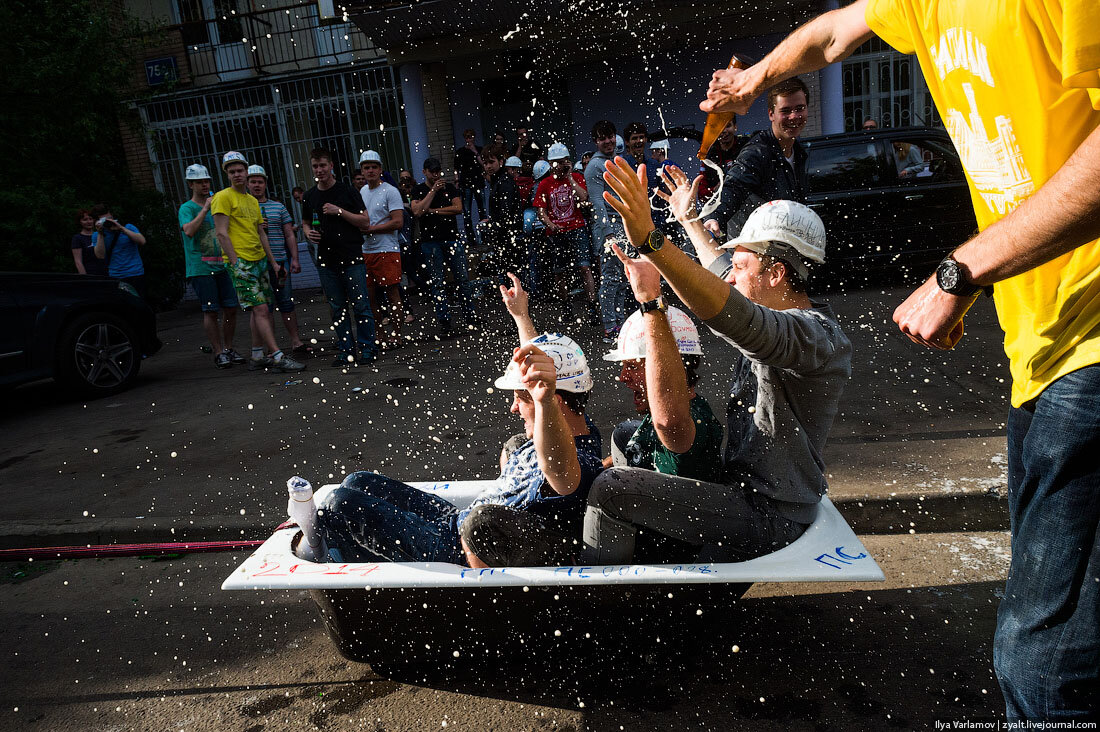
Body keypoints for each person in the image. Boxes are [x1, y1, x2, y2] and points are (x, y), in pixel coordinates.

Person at [697, 0, 1100, 720]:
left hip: (1091, 348)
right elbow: (833, 33)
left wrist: (963, 270)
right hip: (1038, 347)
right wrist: (755, 77)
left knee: (1045, 667)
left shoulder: (811, 334)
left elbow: (730, 314)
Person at [599, 157, 851, 568]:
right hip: (741, 492)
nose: (729, 278)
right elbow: (720, 276)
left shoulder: (814, 337)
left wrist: (651, 241)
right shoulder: (771, 301)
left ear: (777, 274)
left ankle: (603, 602)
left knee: (611, 489)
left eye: (740, 266)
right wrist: (689, 219)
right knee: (630, 433)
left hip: (769, 513)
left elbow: (730, 311)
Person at [316, 330, 602, 568]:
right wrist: (520, 316)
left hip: (458, 551)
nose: (513, 407)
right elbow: (549, 369)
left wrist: (543, 401)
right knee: (358, 481)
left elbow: (560, 472)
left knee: (338, 506)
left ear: (554, 401)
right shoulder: (580, 426)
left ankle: (364, 592)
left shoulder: (570, 463)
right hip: (454, 521)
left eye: (520, 398)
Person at [587, 258, 725, 562]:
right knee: (626, 434)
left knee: (606, 487)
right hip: (669, 515)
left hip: (673, 554)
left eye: (632, 367)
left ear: (662, 368)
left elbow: (666, 421)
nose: (623, 377)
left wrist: (650, 300)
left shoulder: (680, 423)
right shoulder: (682, 409)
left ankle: (601, 584)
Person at [211, 151, 306, 373]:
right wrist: (235, 263)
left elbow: (261, 234)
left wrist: (273, 263)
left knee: (259, 310)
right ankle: (277, 356)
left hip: (260, 261)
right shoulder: (223, 197)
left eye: (240, 170)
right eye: (232, 171)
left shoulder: (252, 201)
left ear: (246, 171)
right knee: (262, 309)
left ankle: (256, 355)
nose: (237, 174)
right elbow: (221, 234)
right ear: (227, 174)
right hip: (241, 262)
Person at [703, 77, 810, 239]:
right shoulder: (758, 151)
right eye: (785, 111)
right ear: (771, 114)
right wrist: (715, 217)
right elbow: (734, 185)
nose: (794, 116)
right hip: (749, 247)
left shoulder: (800, 152)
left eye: (800, 108)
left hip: (781, 240)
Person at [301, 148, 378, 368]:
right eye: (315, 166)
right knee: (337, 308)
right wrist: (308, 233)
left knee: (361, 306)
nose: (319, 170)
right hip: (326, 261)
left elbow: (365, 222)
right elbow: (306, 222)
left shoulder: (348, 191)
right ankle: (346, 352)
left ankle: (368, 349)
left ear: (331, 166)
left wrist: (340, 212)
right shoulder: (309, 196)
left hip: (352, 258)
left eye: (323, 165)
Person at [179, 163, 243, 369]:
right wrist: (205, 208)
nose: (204, 185)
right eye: (199, 182)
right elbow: (189, 231)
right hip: (201, 268)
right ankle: (218, 352)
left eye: (206, 181)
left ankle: (230, 348)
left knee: (231, 308)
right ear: (191, 184)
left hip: (223, 264)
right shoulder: (187, 208)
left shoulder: (218, 203)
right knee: (211, 311)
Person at [247, 165, 311, 358]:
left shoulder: (278, 206)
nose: (257, 185)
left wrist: (295, 259)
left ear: (265, 183)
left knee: (286, 303)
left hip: (280, 263)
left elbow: (290, 235)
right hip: (256, 264)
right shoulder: (244, 207)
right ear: (248, 184)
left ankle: (296, 342)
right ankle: (270, 348)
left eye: (260, 181)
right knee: (263, 308)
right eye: (253, 182)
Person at [410, 157, 475, 338]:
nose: (436, 174)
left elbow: (458, 208)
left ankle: (470, 316)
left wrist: (432, 211)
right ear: (424, 172)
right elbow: (417, 211)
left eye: (438, 170)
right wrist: (432, 192)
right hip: (430, 242)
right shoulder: (419, 190)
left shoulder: (450, 187)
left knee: (462, 279)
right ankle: (444, 321)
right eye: (432, 171)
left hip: (451, 239)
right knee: (438, 283)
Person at [534, 143, 597, 321]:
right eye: (555, 163)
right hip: (556, 233)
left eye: (562, 162)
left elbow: (584, 197)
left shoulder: (576, 177)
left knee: (585, 267)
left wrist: (569, 177)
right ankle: (566, 306)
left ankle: (592, 306)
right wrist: (551, 225)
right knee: (559, 271)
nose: (559, 167)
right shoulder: (545, 184)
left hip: (577, 228)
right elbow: (541, 211)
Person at [585, 120, 633, 342]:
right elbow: (597, 203)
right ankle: (610, 327)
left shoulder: (615, 160)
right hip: (609, 229)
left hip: (622, 226)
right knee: (611, 279)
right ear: (596, 141)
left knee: (623, 279)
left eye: (610, 136)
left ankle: (621, 323)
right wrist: (608, 233)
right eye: (602, 138)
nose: (608, 141)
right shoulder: (595, 166)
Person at [358, 149, 405, 349]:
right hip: (366, 250)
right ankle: (380, 334)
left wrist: (371, 229)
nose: (370, 171)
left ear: (380, 169)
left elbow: (398, 222)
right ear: (362, 170)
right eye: (366, 167)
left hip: (387, 249)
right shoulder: (362, 192)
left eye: (373, 167)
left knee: (392, 293)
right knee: (370, 297)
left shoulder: (390, 191)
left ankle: (396, 333)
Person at [480, 143, 524, 286]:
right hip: (505, 238)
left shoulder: (504, 182)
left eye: (491, 162)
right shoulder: (498, 181)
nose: (488, 166)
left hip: (508, 239)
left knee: (512, 280)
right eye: (485, 163)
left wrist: (494, 226)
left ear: (501, 161)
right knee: (510, 279)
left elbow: (507, 214)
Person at [91, 203, 147, 299]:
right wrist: (100, 233)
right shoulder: (97, 235)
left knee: (140, 304)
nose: (109, 222)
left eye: (110, 218)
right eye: (105, 220)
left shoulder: (128, 227)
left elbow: (142, 241)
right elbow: (100, 256)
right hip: (116, 276)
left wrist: (121, 228)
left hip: (136, 273)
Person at [455, 128, 484, 244]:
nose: (469, 139)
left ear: (474, 137)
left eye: (471, 136)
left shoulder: (479, 150)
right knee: (467, 212)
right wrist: (457, 181)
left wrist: (475, 151)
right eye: (467, 137)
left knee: (482, 211)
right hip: (465, 184)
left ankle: (484, 236)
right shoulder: (460, 152)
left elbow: (483, 164)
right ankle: (471, 239)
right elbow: (456, 168)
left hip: (478, 182)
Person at [71, 210, 107, 276]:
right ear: (80, 222)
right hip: (90, 274)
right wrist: (85, 277)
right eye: (85, 220)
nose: (89, 222)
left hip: (107, 273)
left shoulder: (101, 234)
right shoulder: (78, 238)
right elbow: (78, 261)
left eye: (91, 219)